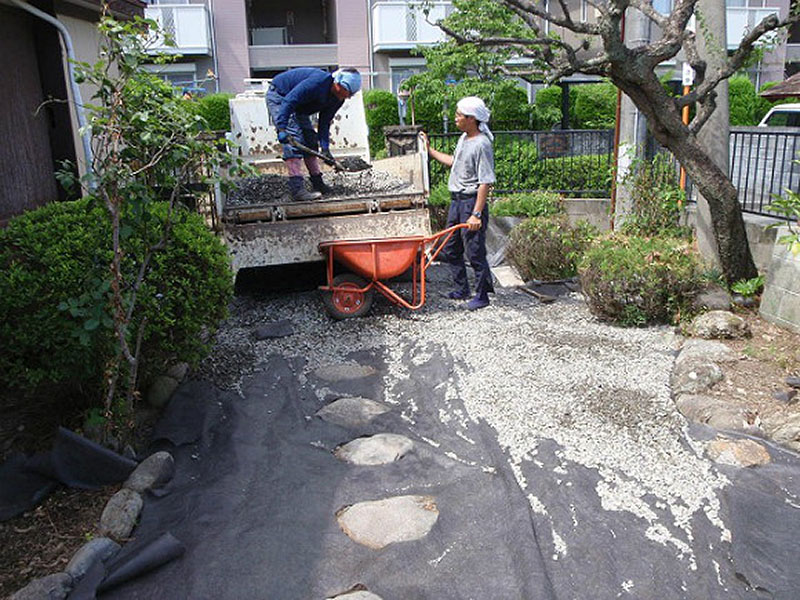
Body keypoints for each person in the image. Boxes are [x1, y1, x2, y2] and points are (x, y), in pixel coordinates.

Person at [421, 96, 495, 310]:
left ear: (471, 119)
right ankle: (462, 288)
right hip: (456, 201)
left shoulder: (482, 144)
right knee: (452, 247)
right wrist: (430, 150)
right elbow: (455, 162)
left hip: (471, 203)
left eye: (459, 115)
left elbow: (485, 182)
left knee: (474, 251)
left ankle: (482, 295)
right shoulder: (464, 138)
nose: (455, 118)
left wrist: (476, 214)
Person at [266, 67, 361, 201]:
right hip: (281, 96)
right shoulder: (317, 83)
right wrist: (282, 128)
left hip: (299, 107)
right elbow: (289, 100)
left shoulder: (337, 99)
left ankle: (317, 184)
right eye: (347, 91)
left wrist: (325, 149)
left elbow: (324, 122)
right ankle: (297, 189)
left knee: (310, 140)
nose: (348, 96)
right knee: (293, 139)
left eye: (351, 94)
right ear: (337, 83)